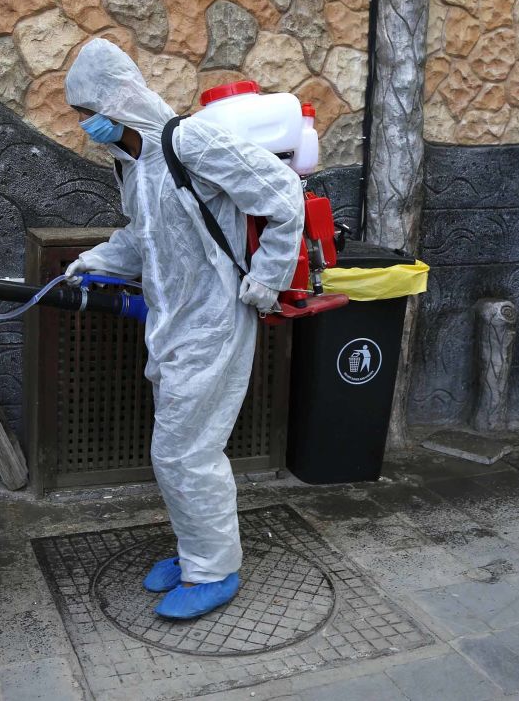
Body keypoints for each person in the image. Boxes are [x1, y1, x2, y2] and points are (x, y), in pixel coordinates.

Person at [62, 39, 304, 620]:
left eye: (86, 111)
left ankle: (214, 570)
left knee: (184, 452)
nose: (84, 124)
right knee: (180, 450)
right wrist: (94, 261)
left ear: (115, 100)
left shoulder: (189, 141)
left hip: (216, 321)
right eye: (78, 116)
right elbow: (145, 241)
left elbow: (283, 197)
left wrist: (268, 279)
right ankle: (198, 548)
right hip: (173, 326)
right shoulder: (133, 164)